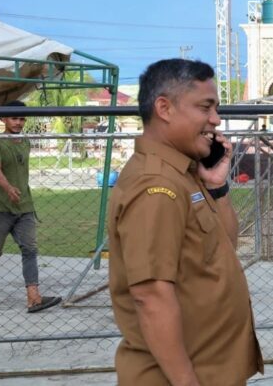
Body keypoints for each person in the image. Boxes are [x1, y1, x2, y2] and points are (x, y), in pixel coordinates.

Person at [107, 59, 263, 385]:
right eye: (205, 107)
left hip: (211, 369)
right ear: (164, 108)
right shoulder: (157, 187)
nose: (216, 120)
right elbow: (150, 295)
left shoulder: (185, 174)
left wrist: (217, 186)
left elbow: (225, 246)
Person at [0, 100, 61, 313]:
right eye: (14, 118)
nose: (18, 122)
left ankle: (34, 297)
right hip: (0, 206)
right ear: (4, 119)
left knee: (30, 249)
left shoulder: (25, 142)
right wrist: (9, 188)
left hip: (25, 207)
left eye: (22, 118)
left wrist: (19, 192)